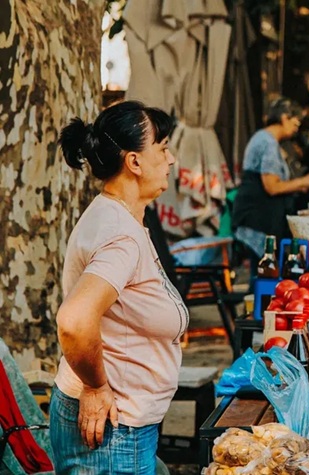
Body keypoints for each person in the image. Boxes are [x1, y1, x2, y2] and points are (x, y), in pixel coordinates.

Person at [52, 101, 186, 473]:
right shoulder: (119, 237)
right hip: (113, 431)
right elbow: (74, 321)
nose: (171, 159)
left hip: (122, 426)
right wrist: (96, 387)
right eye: (162, 149)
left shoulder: (117, 216)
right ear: (134, 162)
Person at [232, 99, 309, 283]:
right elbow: (272, 187)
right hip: (257, 218)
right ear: (284, 118)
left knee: (262, 277)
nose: (296, 129)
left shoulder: (264, 139)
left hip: (260, 216)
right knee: (263, 278)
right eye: (295, 123)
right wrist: (303, 181)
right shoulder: (268, 143)